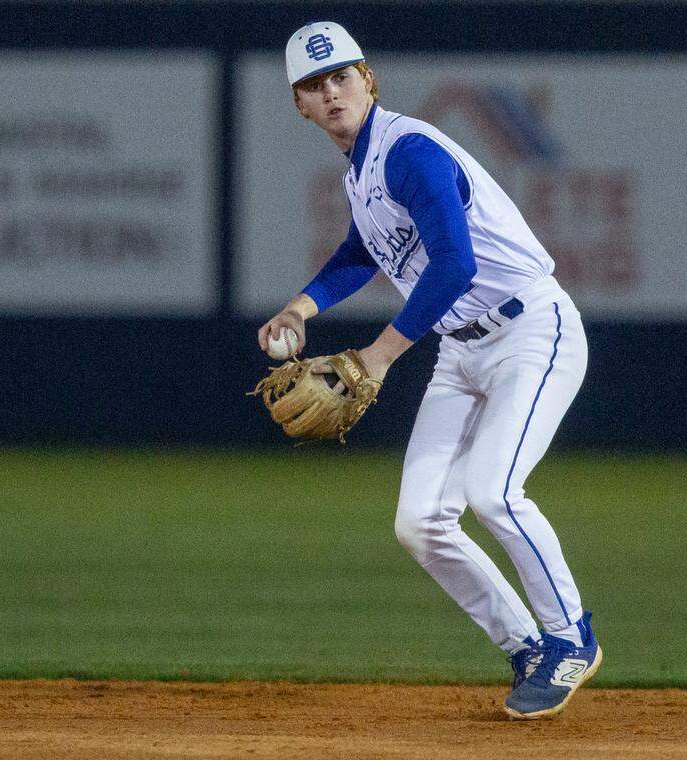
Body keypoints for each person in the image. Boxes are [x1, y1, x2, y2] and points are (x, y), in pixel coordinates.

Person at [257, 21, 602, 719]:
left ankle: (571, 638)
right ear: (298, 105)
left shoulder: (407, 149)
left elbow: (456, 265)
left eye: (341, 77)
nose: (331, 94)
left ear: (369, 79)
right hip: (461, 349)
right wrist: (302, 305)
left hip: (531, 330)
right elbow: (363, 251)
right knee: (420, 521)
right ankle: (528, 648)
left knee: (494, 491)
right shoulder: (361, 170)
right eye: (314, 87)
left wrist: (376, 358)